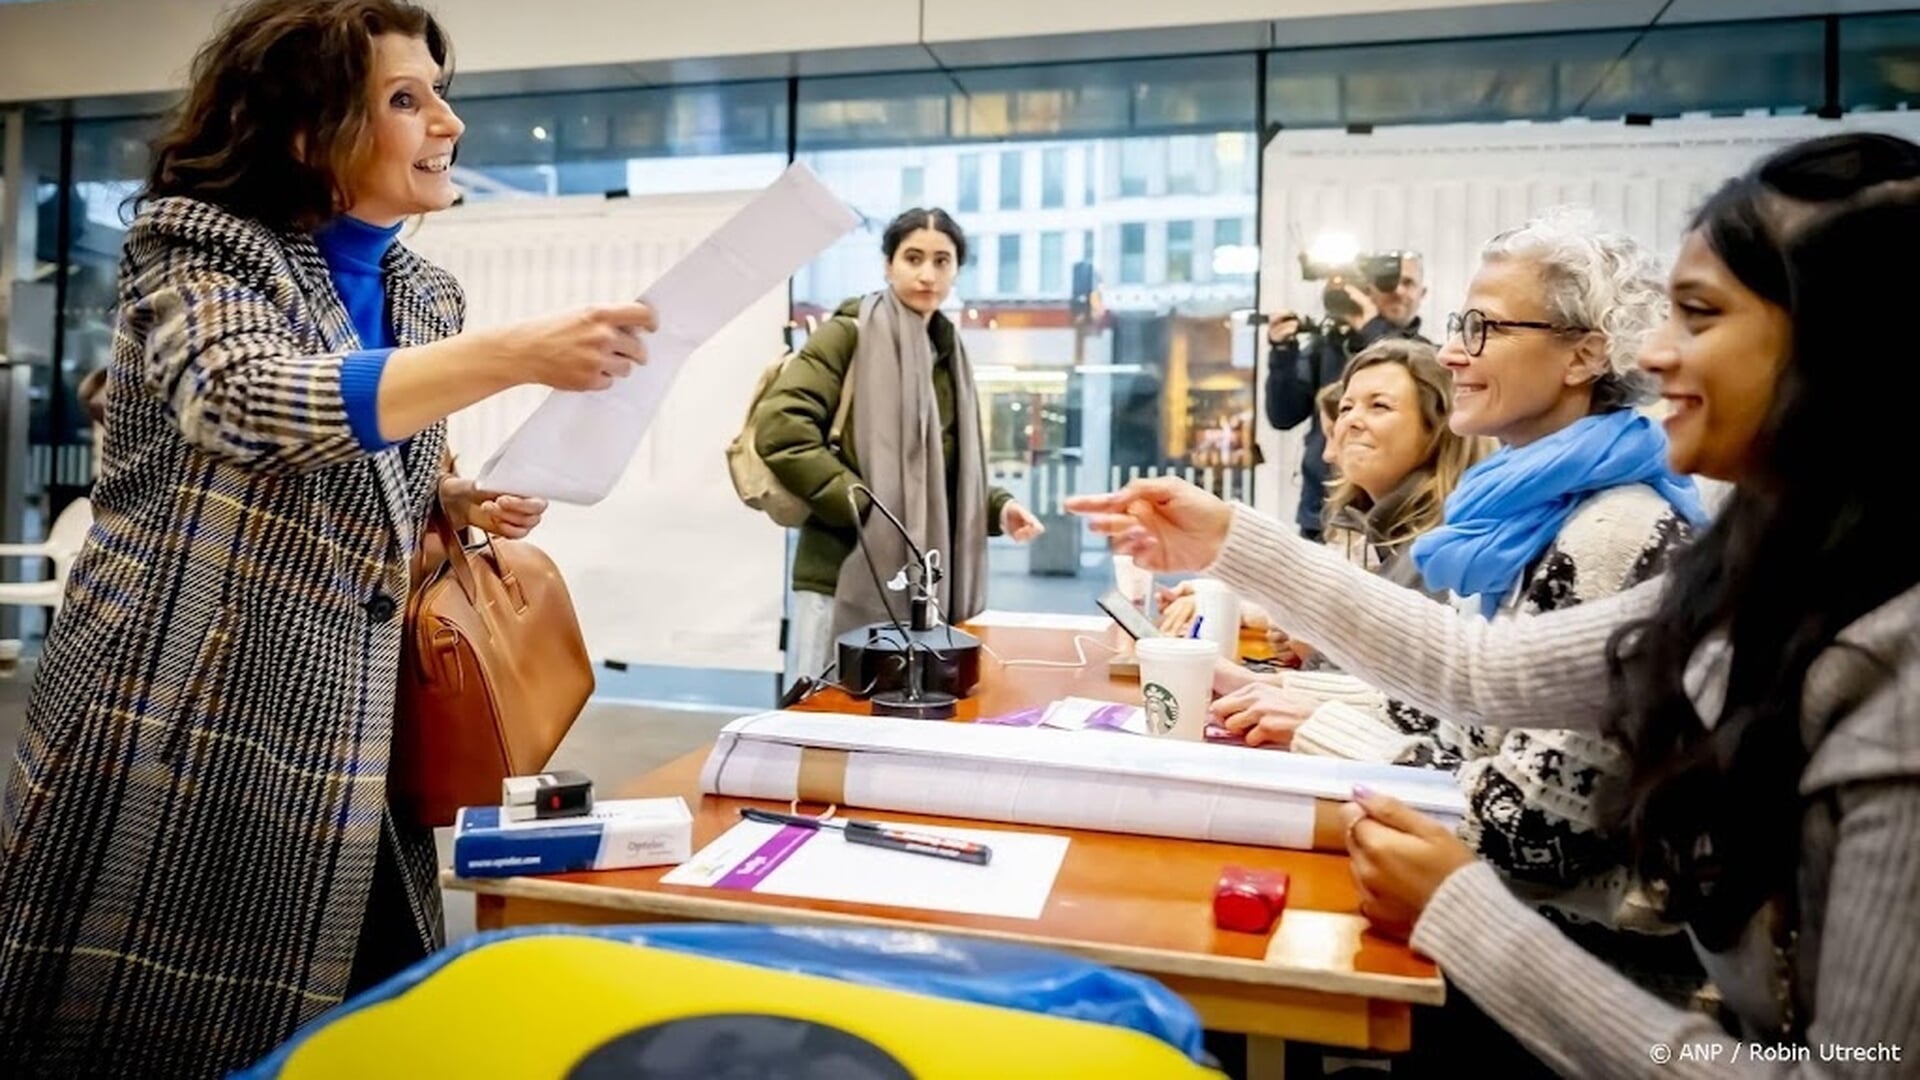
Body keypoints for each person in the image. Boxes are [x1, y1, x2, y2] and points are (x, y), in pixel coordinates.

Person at [1069, 132, 1920, 1075]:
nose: (1660, 351)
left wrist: (1460, 909)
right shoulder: (1754, 564)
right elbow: (1477, 675)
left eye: (1698, 315)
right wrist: (1231, 538)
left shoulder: (1880, 662)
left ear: (1837, 342)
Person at [0, 2, 660, 1075]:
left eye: (441, 92)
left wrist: (451, 496)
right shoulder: (195, 246)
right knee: (146, 1029)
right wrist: (513, 355)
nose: (446, 121)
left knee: (348, 1017)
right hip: (187, 710)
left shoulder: (422, 289)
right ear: (306, 133)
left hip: (356, 714)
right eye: (406, 99)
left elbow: (378, 454)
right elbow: (247, 402)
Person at [754, 208, 1044, 680]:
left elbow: (940, 466)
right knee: (824, 721)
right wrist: (866, 508)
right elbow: (782, 428)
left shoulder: (947, 350)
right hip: (842, 570)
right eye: (913, 258)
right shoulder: (848, 333)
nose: (927, 274)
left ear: (955, 271)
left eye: (942, 261)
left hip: (923, 586)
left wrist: (997, 508)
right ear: (888, 264)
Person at [1208, 338, 1484, 742]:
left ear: (1439, 430)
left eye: (1379, 406)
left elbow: (1422, 707)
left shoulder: (1444, 549)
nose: (1351, 421)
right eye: (1347, 407)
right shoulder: (1386, 533)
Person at [1266, 250, 1428, 541]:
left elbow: (1404, 359)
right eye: (1390, 283)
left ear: (1423, 293)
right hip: (1322, 512)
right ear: (1369, 288)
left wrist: (1370, 326)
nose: (1398, 292)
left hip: (1398, 514)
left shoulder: (1427, 357)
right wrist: (1282, 353)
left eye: (1408, 283)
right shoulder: (1327, 347)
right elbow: (1282, 415)